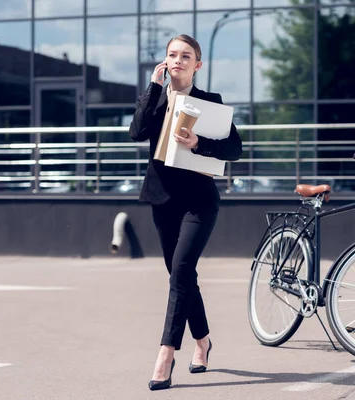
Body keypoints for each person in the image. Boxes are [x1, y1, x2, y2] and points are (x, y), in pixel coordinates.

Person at [128, 34, 242, 391]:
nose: (178, 60)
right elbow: (136, 132)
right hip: (163, 200)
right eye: (172, 55)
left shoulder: (211, 103)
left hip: (199, 201)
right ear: (165, 62)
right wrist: (152, 88)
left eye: (186, 55)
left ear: (198, 64)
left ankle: (165, 354)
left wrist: (199, 144)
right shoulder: (155, 100)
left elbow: (235, 149)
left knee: (180, 271)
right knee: (183, 277)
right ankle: (203, 340)